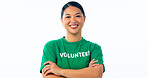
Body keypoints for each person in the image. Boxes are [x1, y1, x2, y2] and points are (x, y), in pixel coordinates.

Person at [40, 1, 105, 78]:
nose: (73, 20)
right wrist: (86, 73)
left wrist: (59, 71)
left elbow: (96, 75)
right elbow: (48, 76)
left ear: (84, 18)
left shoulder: (94, 48)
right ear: (62, 20)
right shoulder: (52, 46)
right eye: (68, 17)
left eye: (77, 16)